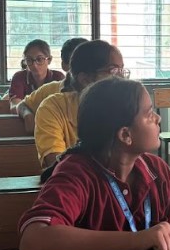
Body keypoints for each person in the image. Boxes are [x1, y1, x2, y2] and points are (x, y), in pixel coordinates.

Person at [18, 77, 170, 250]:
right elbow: (34, 241)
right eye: (149, 114)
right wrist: (136, 240)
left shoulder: (157, 170)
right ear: (125, 135)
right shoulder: (77, 172)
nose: (158, 118)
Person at [34, 40, 128, 169]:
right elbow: (57, 165)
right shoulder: (53, 108)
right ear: (85, 79)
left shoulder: (126, 108)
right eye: (114, 70)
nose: (122, 78)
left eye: (122, 70)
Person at [14, 37, 89, 135]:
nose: (85, 73)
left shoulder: (103, 94)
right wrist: (27, 114)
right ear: (64, 65)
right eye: (78, 65)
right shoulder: (50, 90)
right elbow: (21, 105)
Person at [8, 39, 65, 112]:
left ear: (49, 60)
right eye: (29, 60)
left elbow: (64, 106)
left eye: (39, 59)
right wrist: (27, 114)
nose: (34, 65)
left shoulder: (58, 77)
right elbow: (14, 106)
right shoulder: (19, 77)